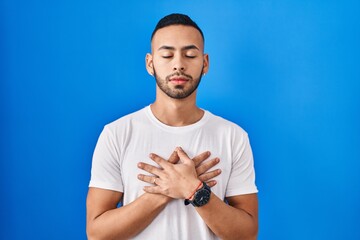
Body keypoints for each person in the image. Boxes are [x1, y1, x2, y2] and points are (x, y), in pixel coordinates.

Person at [86, 13, 258, 240]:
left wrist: (195, 191)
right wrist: (166, 189)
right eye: (167, 55)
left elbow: (247, 234)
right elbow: (97, 234)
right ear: (150, 63)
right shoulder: (117, 133)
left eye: (190, 55)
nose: (178, 64)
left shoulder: (233, 136)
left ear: (205, 63)